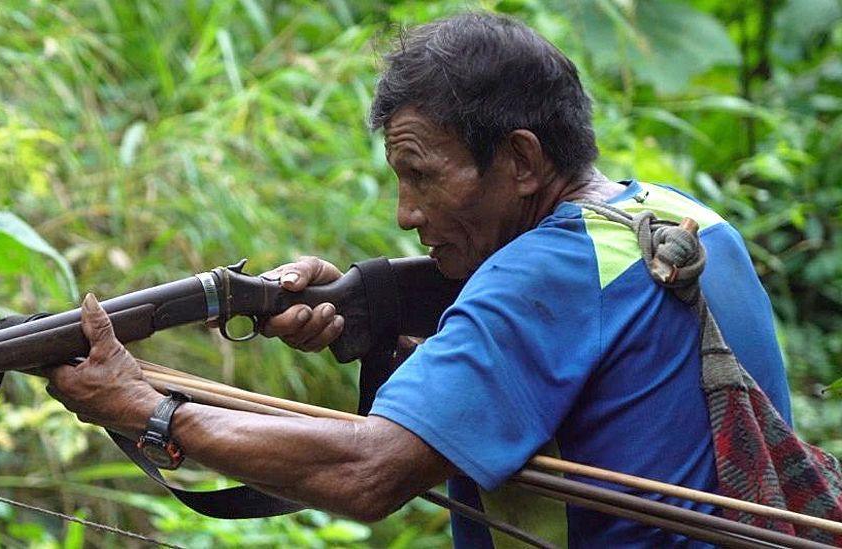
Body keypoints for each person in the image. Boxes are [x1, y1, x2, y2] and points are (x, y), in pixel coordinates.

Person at [41, 12, 792, 547]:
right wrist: (376, 313)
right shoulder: (683, 221)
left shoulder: (538, 278)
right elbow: (599, 359)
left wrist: (149, 408)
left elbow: (366, 475)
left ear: (523, 162)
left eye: (421, 176)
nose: (405, 214)